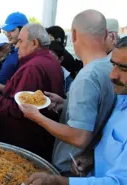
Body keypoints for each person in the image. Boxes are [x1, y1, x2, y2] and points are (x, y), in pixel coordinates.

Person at [20, 9, 116, 173]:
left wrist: (37, 117)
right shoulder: (111, 67)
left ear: (74, 35)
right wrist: (66, 104)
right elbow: (98, 110)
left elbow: (80, 137)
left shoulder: (87, 77)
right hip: (96, 163)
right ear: (106, 33)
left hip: (72, 167)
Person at [23, 36, 127, 185]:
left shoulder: (89, 76)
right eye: (113, 65)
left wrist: (60, 182)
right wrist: (92, 158)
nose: (112, 75)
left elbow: (119, 182)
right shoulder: (122, 99)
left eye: (123, 68)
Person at [0, 23, 64, 161]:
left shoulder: (33, 67)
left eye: (20, 41)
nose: (16, 46)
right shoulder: (51, 60)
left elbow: (20, 109)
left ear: (34, 43)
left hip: (25, 140)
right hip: (39, 138)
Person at [0, 12, 28, 90]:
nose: (8, 34)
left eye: (11, 30)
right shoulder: (14, 53)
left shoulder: (25, 54)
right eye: (6, 31)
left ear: (23, 30)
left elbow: (23, 90)